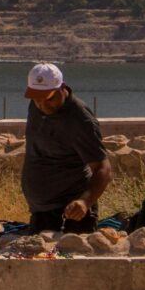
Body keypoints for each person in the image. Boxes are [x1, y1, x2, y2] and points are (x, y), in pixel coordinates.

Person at [21, 62, 111, 233]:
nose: (42, 105)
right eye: (36, 98)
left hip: (71, 214)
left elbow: (103, 168)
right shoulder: (37, 104)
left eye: (49, 99)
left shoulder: (80, 120)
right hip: (41, 210)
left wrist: (84, 201)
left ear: (61, 88)